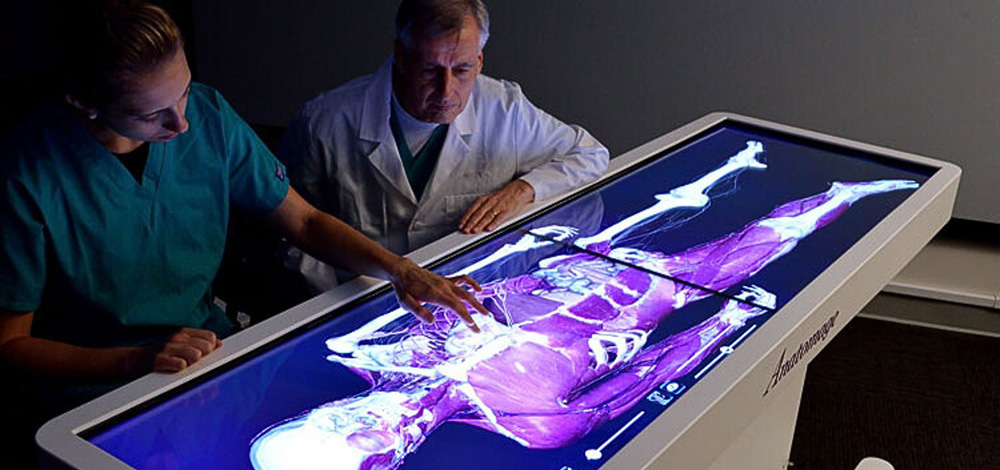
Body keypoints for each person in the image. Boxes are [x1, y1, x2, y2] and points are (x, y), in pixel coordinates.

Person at [0, 2, 487, 467]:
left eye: (184, 92)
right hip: (94, 385)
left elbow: (304, 221)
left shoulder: (208, 118)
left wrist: (400, 271)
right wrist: (138, 360)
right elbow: (11, 344)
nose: (182, 122)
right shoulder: (28, 172)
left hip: (206, 352)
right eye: (152, 115)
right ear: (83, 103)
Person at [248, 143, 919, 470]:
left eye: (333, 424)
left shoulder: (370, 349)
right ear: (388, 465)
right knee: (767, 241)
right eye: (360, 450)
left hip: (568, 260)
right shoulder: (536, 424)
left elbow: (462, 278)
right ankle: (849, 193)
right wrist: (727, 322)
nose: (367, 425)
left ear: (326, 408)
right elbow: (650, 374)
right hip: (653, 294)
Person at [278, 0, 610, 292]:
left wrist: (523, 189)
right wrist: (336, 310)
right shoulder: (325, 122)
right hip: (363, 299)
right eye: (430, 70)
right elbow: (291, 232)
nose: (445, 90)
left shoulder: (505, 109)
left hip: (470, 296)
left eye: (462, 70)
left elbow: (591, 154)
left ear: (479, 61)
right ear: (401, 57)